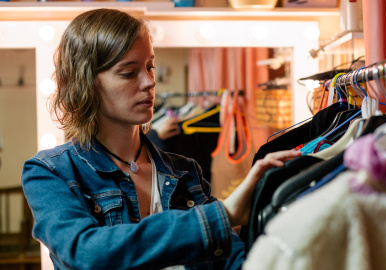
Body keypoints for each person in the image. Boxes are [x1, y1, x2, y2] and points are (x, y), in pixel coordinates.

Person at [21, 8, 300, 270]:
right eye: (129, 72)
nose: (149, 81)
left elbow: (235, 260)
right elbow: (85, 253)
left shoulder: (184, 172)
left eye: (150, 66)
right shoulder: (50, 172)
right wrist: (222, 215)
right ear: (85, 83)